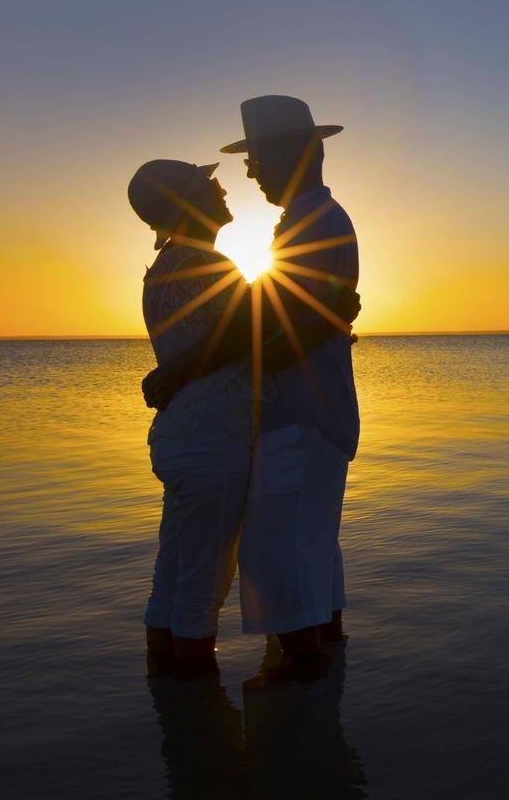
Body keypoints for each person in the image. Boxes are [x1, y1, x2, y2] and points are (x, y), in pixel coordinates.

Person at [143, 95, 362, 684]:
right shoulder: (297, 226)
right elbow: (268, 323)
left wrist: (175, 373)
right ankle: (315, 660)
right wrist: (333, 317)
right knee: (295, 544)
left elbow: (272, 328)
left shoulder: (314, 224)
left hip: (296, 414)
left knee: (265, 552)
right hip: (272, 418)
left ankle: (297, 667)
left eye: (257, 157)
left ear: (303, 152)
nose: (246, 173)